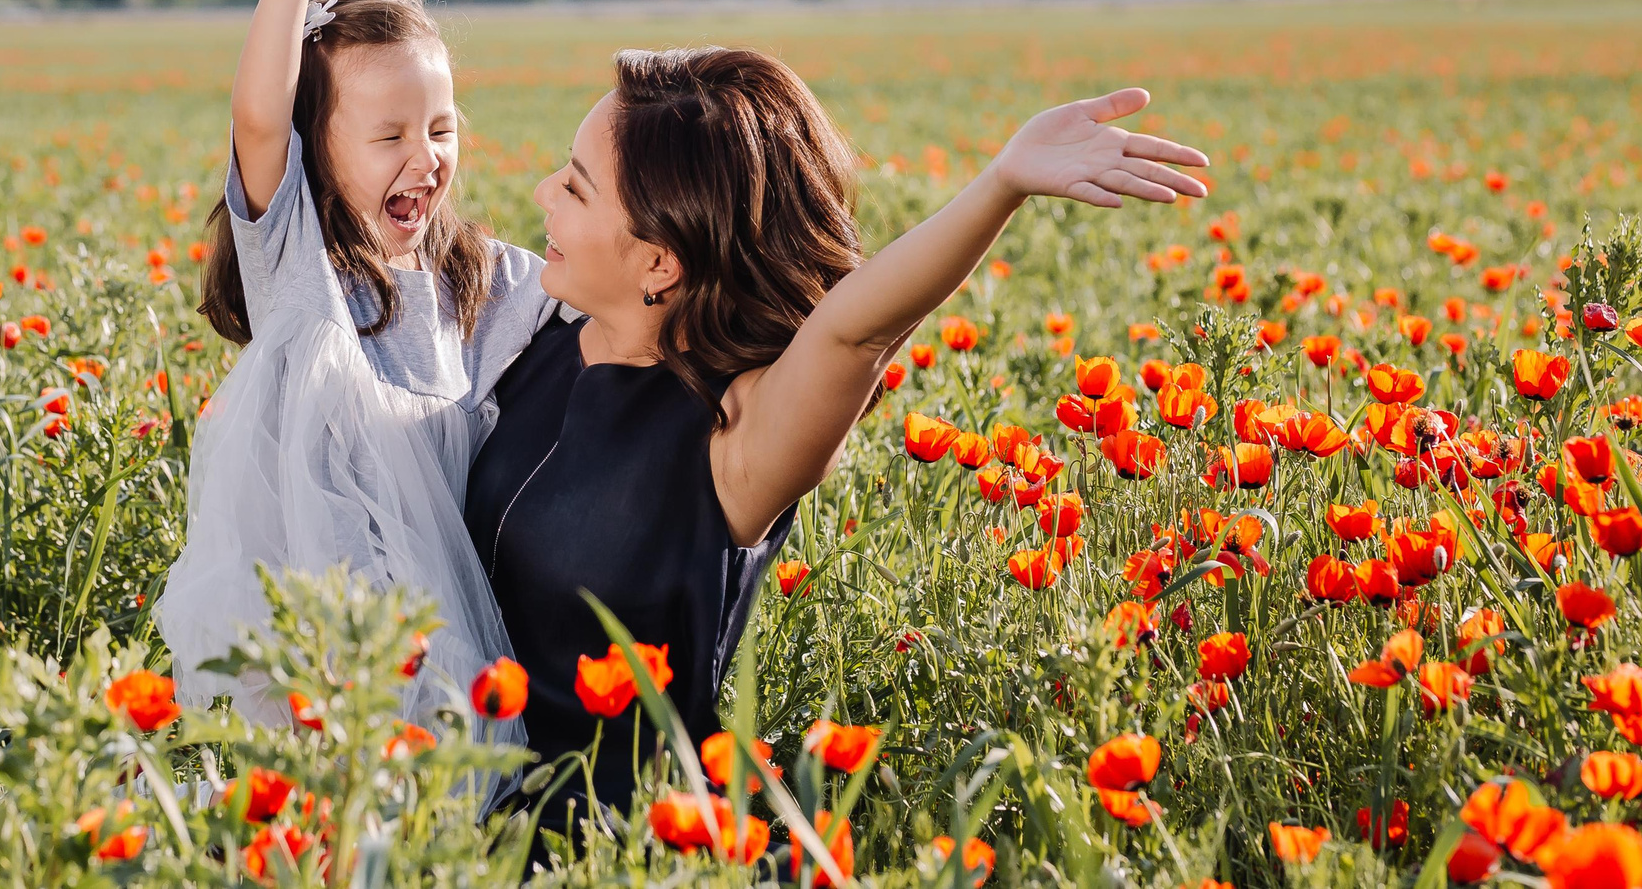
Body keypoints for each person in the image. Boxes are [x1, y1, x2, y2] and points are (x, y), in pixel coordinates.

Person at [464, 46, 1209, 822]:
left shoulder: (734, 438)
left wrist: (1002, 184)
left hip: (639, 837)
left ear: (660, 261)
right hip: (464, 805)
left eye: (577, 188)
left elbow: (853, 333)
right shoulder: (524, 337)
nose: (544, 192)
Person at [157, 0, 555, 731]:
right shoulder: (299, 260)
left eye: (442, 128)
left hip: (440, 616)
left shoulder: (475, 279)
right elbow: (257, 116)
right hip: (312, 618)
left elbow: (590, 296)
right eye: (390, 138)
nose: (427, 159)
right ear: (316, 149)